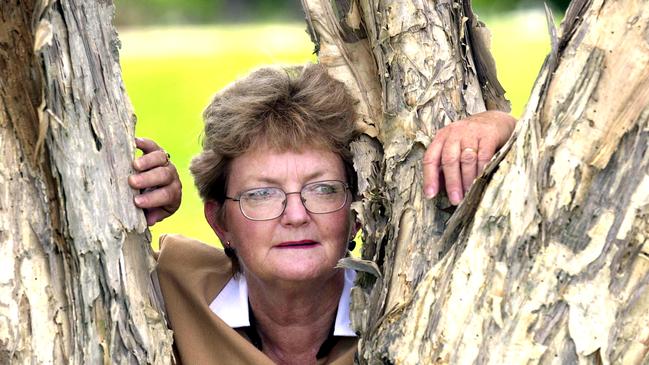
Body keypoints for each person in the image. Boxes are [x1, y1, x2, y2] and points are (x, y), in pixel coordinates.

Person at [130, 64, 515, 364]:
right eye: (262, 194)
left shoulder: (405, 302)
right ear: (220, 221)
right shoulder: (173, 287)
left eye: (323, 189)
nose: (295, 215)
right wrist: (138, 195)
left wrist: (500, 127)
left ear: (357, 214)